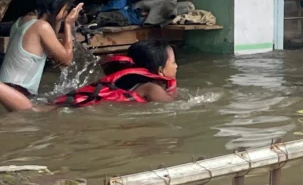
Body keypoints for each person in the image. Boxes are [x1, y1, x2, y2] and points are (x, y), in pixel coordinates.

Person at [0, 40, 178, 111]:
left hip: (68, 103)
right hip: (69, 108)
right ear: (161, 70)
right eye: (173, 62)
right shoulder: (152, 88)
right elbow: (174, 107)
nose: (176, 66)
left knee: (36, 107)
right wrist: (173, 91)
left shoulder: (124, 78)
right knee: (31, 110)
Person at [0, 0, 82, 102]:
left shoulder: (22, 21)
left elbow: (51, 42)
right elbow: (66, 60)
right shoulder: (41, 27)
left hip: (8, 90)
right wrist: (68, 24)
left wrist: (67, 2)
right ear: (56, 6)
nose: (66, 12)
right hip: (18, 95)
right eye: (65, 9)